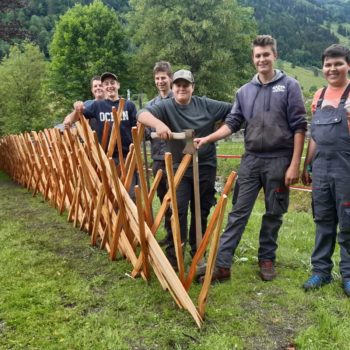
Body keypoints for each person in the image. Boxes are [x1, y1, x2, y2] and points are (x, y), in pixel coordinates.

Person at [195, 35, 307, 282]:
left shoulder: (290, 86)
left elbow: (300, 126)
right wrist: (208, 138)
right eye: (258, 55)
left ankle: (267, 259)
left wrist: (294, 164)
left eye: (266, 54)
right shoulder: (244, 91)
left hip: (280, 159)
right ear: (253, 59)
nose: (262, 59)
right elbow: (233, 122)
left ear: (274, 55)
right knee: (238, 212)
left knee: (273, 212)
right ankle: (222, 265)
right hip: (251, 159)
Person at [137, 69, 232, 268]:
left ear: (192, 87)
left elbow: (234, 111)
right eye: (178, 85)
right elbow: (141, 114)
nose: (182, 88)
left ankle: (198, 252)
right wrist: (159, 125)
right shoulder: (165, 107)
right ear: (173, 88)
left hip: (205, 165)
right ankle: (175, 255)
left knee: (201, 209)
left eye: (185, 85)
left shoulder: (205, 104)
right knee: (177, 210)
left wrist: (216, 133)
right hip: (179, 167)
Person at [301, 44, 350, 296]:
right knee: (322, 220)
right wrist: (307, 164)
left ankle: (349, 274)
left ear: (347, 65)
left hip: (346, 168)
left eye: (338, 63)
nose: (332, 68)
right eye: (328, 64)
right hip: (320, 168)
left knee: (348, 222)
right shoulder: (318, 96)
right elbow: (315, 136)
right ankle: (321, 271)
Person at [63, 72, 138, 196]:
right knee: (111, 193)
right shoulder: (97, 105)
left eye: (112, 83)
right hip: (105, 157)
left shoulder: (128, 105)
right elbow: (77, 115)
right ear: (103, 87)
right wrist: (73, 114)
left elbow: (136, 126)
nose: (110, 86)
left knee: (131, 193)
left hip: (127, 156)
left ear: (118, 85)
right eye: (106, 84)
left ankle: (132, 215)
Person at [145, 61, 173, 246]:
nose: (160, 81)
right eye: (157, 78)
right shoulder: (150, 106)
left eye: (163, 77)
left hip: (176, 158)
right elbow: (147, 133)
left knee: (177, 199)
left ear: (170, 78)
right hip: (157, 158)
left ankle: (177, 236)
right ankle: (169, 234)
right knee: (163, 198)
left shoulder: (177, 100)